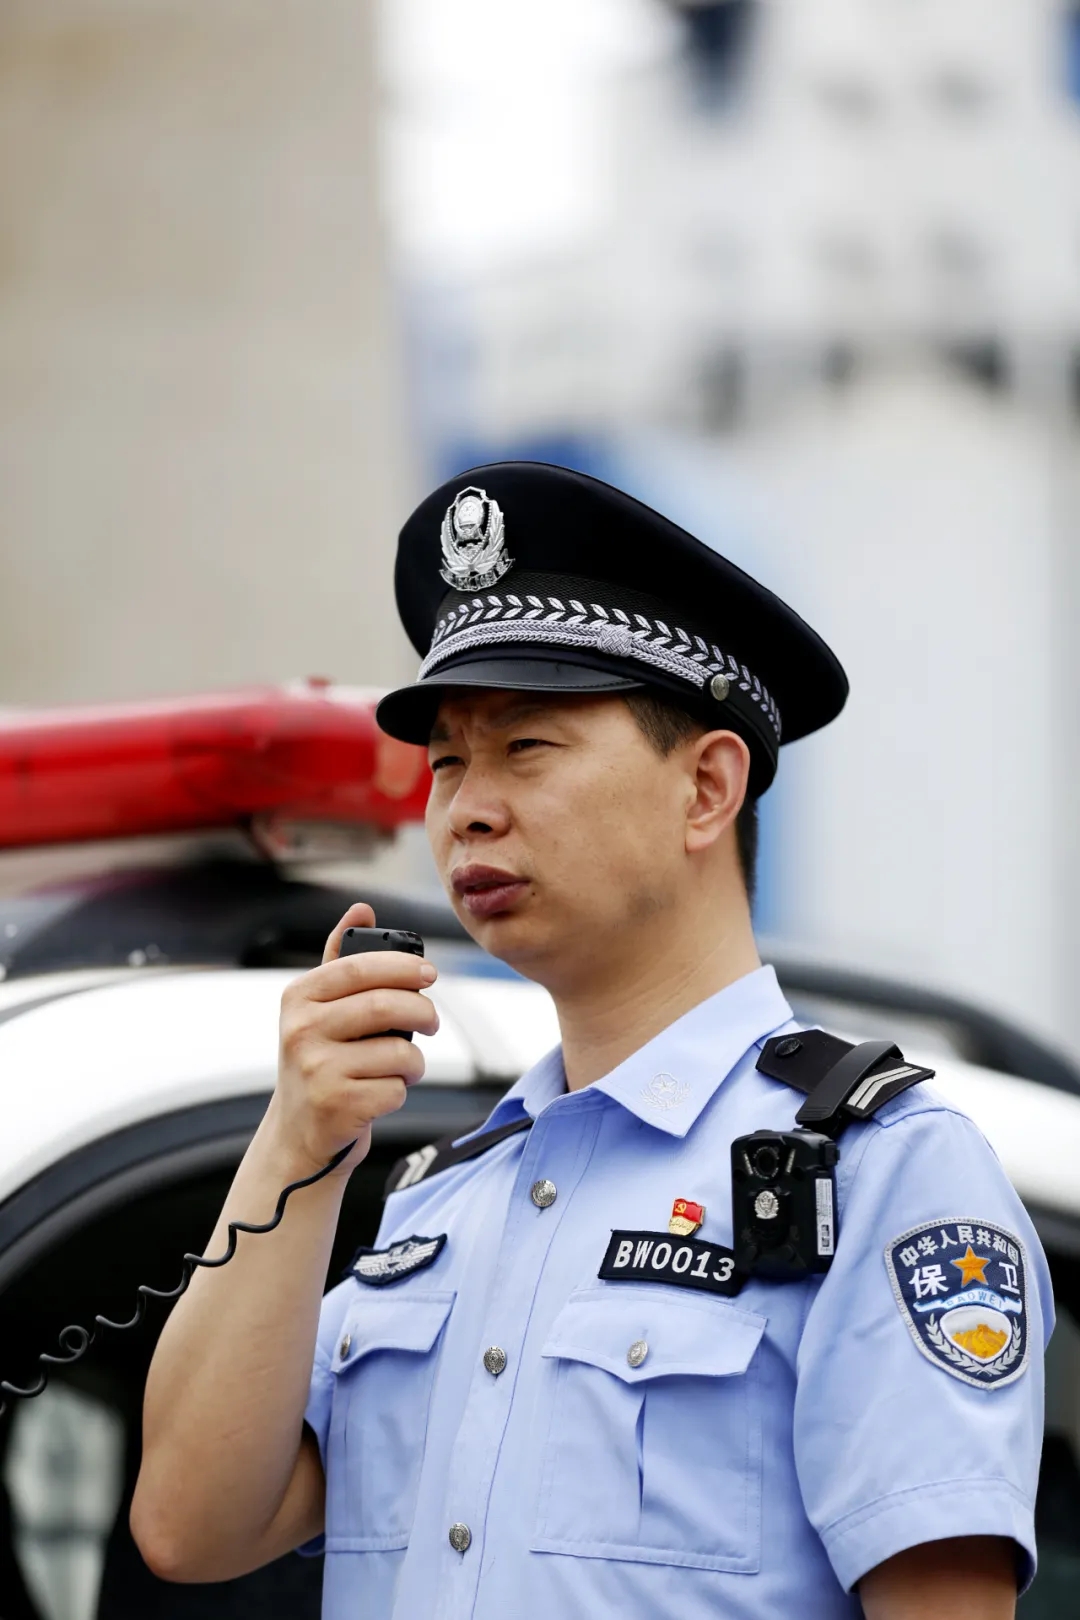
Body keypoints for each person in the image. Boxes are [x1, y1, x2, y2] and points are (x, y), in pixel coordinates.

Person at [132, 463, 1050, 1619]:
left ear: (707, 788)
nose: (467, 807)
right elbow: (191, 1528)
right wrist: (295, 1145)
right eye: (448, 761)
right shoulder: (439, 1200)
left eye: (527, 746)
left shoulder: (883, 1169)